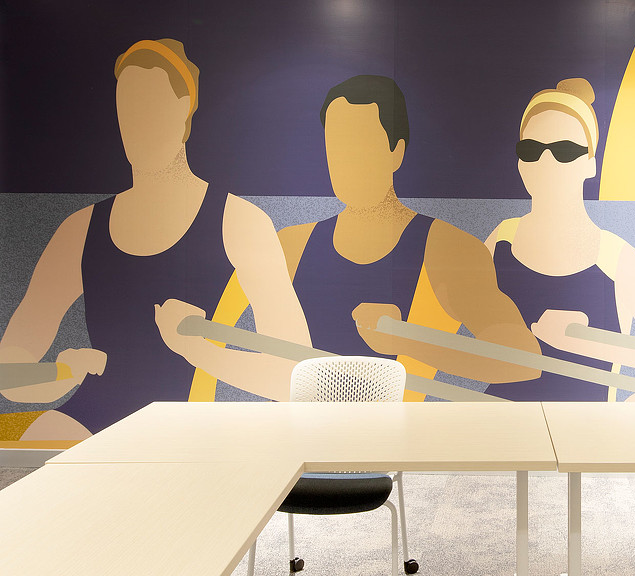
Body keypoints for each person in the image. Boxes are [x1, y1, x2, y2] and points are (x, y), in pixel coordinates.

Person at [0, 39, 310, 440]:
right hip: (88, 419)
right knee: (42, 441)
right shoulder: (81, 229)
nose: (137, 121)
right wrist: (58, 375)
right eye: (127, 107)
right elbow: (9, 366)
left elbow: (296, 374)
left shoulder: (241, 222)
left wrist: (202, 353)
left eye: (152, 104)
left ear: (185, 110)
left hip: (185, 427)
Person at [267, 75, 540, 388]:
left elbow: (523, 358)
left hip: (406, 432)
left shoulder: (447, 248)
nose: (347, 162)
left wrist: (410, 340)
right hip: (307, 430)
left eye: (362, 144)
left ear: (396, 152)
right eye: (337, 145)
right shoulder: (291, 245)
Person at [485, 78, 635, 401]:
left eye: (565, 151)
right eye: (531, 150)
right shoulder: (501, 240)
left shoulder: (615, 259)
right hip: (500, 430)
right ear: (519, 163)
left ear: (590, 164)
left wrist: (593, 347)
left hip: (586, 439)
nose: (546, 162)